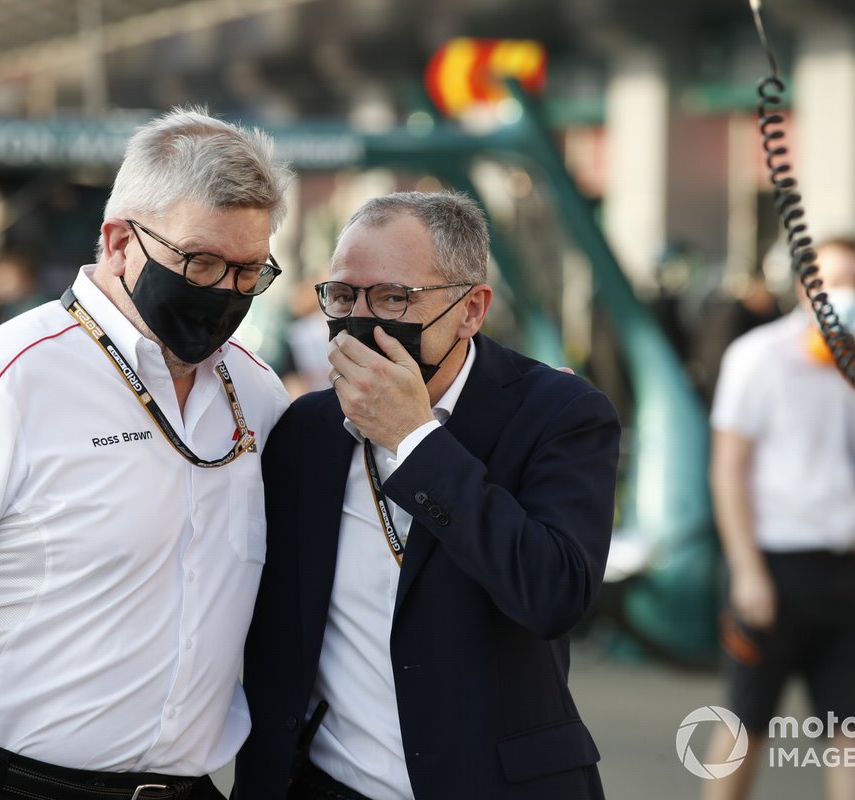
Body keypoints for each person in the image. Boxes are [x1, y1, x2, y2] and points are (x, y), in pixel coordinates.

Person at [0, 107, 293, 800]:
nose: (225, 292)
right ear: (119, 241)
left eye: (249, 272)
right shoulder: (5, 380)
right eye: (201, 262)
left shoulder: (256, 391)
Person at [234, 191, 620, 800]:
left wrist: (416, 440)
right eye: (342, 296)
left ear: (471, 309)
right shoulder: (306, 429)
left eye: (393, 298)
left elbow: (554, 594)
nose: (361, 319)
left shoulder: (559, 414)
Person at [702, 238, 855, 800]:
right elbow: (728, 469)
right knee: (745, 723)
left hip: (849, 568)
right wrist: (746, 569)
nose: (853, 294)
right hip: (772, 565)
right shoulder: (759, 357)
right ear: (804, 287)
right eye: (840, 281)